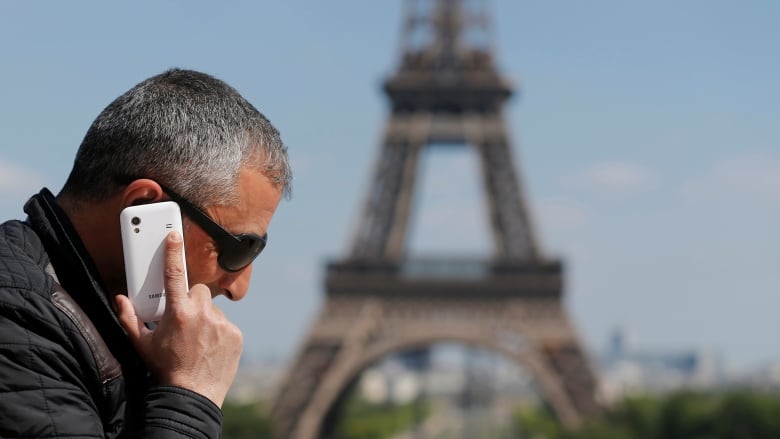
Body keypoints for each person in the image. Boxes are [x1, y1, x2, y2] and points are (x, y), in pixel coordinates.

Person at [0, 68, 292, 438]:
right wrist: (189, 396)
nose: (240, 287)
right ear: (143, 207)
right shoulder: (16, 320)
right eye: (240, 247)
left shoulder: (83, 316)